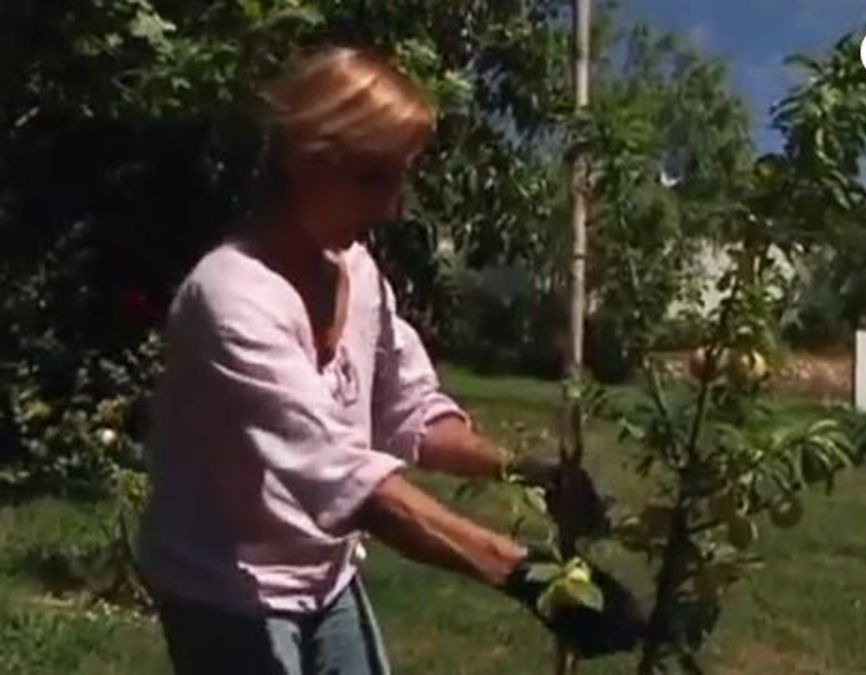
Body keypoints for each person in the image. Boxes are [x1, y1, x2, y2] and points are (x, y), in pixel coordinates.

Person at [137, 46, 643, 675]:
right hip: (225, 591)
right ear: (307, 161)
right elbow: (345, 480)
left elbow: (412, 413)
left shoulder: (357, 273)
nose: (393, 205)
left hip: (327, 577)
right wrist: (528, 575)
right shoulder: (232, 299)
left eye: (399, 177)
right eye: (375, 177)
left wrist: (525, 470)